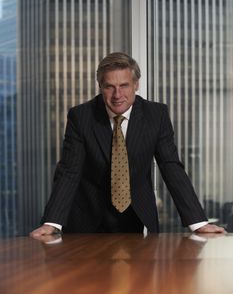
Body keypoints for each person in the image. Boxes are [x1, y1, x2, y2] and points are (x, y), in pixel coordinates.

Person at [31, 52, 225, 238]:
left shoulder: (155, 115)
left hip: (136, 214)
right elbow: (69, 171)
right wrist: (52, 222)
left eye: (124, 85)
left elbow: (171, 166)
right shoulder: (81, 117)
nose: (117, 95)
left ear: (136, 84)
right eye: (109, 87)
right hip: (87, 216)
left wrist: (198, 223)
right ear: (100, 86)